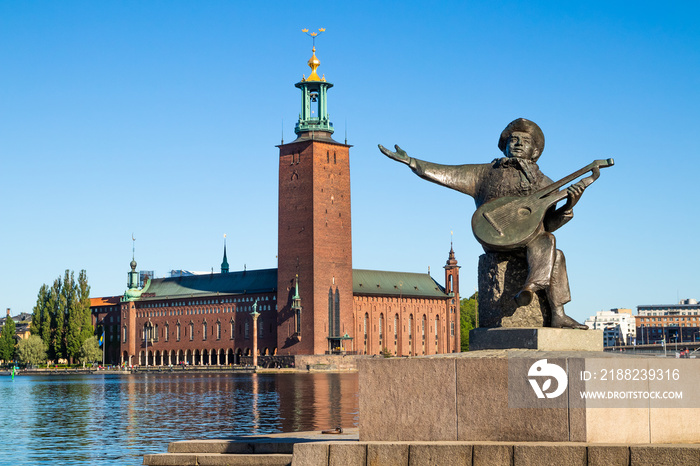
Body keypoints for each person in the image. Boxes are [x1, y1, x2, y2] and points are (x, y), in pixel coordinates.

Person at [379, 118, 587, 329]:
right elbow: (448, 173)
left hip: (528, 242)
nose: (517, 144)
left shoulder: (544, 183)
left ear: (534, 151)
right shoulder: (485, 173)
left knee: (554, 249)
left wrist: (569, 205)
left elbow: (548, 224)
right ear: (505, 146)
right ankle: (538, 292)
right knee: (549, 243)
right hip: (493, 236)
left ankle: (552, 308)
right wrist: (413, 162)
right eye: (513, 139)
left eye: (524, 141)